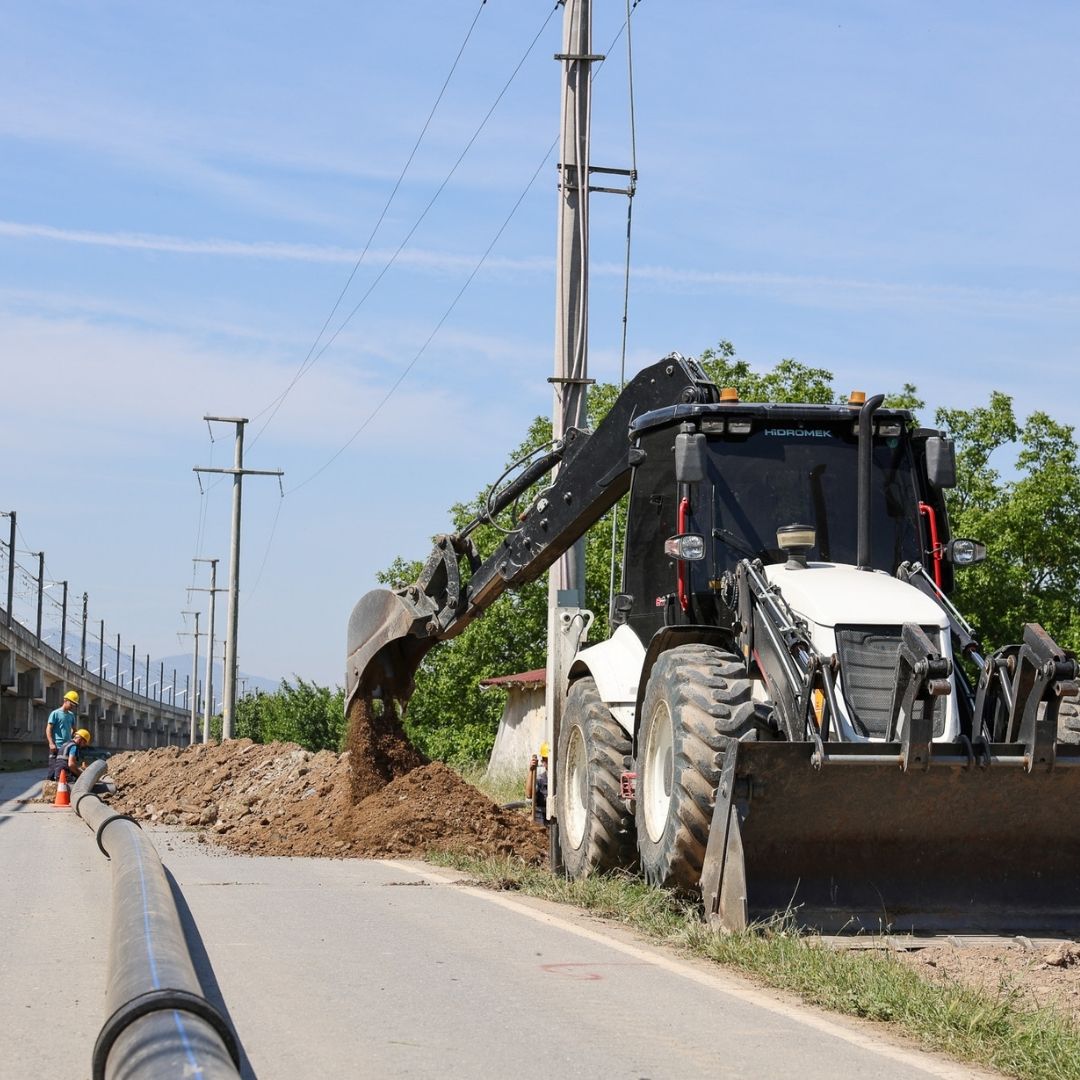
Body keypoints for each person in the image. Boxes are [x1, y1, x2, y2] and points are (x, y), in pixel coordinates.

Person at [46, 690, 80, 773]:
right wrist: (51, 743)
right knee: (53, 771)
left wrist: (74, 741)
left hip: (66, 748)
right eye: (71, 704)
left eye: (74, 705)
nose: (72, 706)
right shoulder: (55, 713)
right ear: (65, 700)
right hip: (56, 747)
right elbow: (48, 728)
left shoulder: (71, 715)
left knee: (64, 771)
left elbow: (74, 729)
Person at [525, 742, 550, 824]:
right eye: (547, 759)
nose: (550, 762)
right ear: (543, 762)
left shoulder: (563, 779)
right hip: (541, 819)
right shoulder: (540, 779)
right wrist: (531, 770)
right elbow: (529, 795)